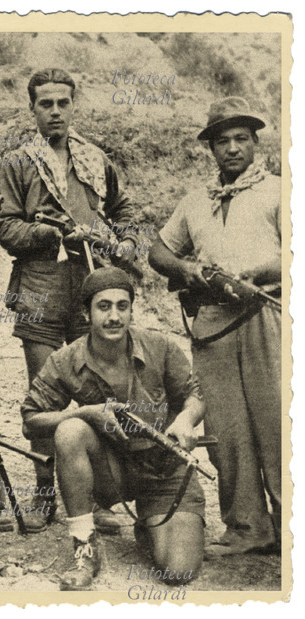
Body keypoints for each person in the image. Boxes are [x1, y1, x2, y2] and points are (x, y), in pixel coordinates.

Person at [0, 68, 139, 532]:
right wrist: (51, 230)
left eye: (62, 103)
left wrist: (125, 243)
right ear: (32, 108)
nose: (54, 111)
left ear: (73, 105)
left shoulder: (96, 158)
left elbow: (125, 210)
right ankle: (43, 493)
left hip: (92, 289)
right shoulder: (17, 163)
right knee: (45, 391)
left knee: (95, 388)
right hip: (40, 289)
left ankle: (98, 495)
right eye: (45, 104)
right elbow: (5, 227)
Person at [148, 97, 281, 556]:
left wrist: (260, 273)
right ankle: (248, 529)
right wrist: (186, 271)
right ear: (210, 149)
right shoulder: (194, 200)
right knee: (227, 432)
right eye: (221, 141)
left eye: (241, 138)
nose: (232, 149)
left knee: (278, 422)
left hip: (269, 317)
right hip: (213, 326)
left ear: (255, 143)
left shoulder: (280, 191)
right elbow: (158, 251)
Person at [21, 268, 206, 590]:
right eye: (103, 306)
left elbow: (195, 395)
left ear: (132, 310)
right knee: (70, 430)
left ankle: (150, 526)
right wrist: (87, 413)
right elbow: (31, 420)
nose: (114, 316)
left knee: (177, 572)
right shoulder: (66, 359)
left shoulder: (160, 346)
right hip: (112, 473)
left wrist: (185, 419)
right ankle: (84, 545)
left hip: (164, 471)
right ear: (86, 313)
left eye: (123, 306)